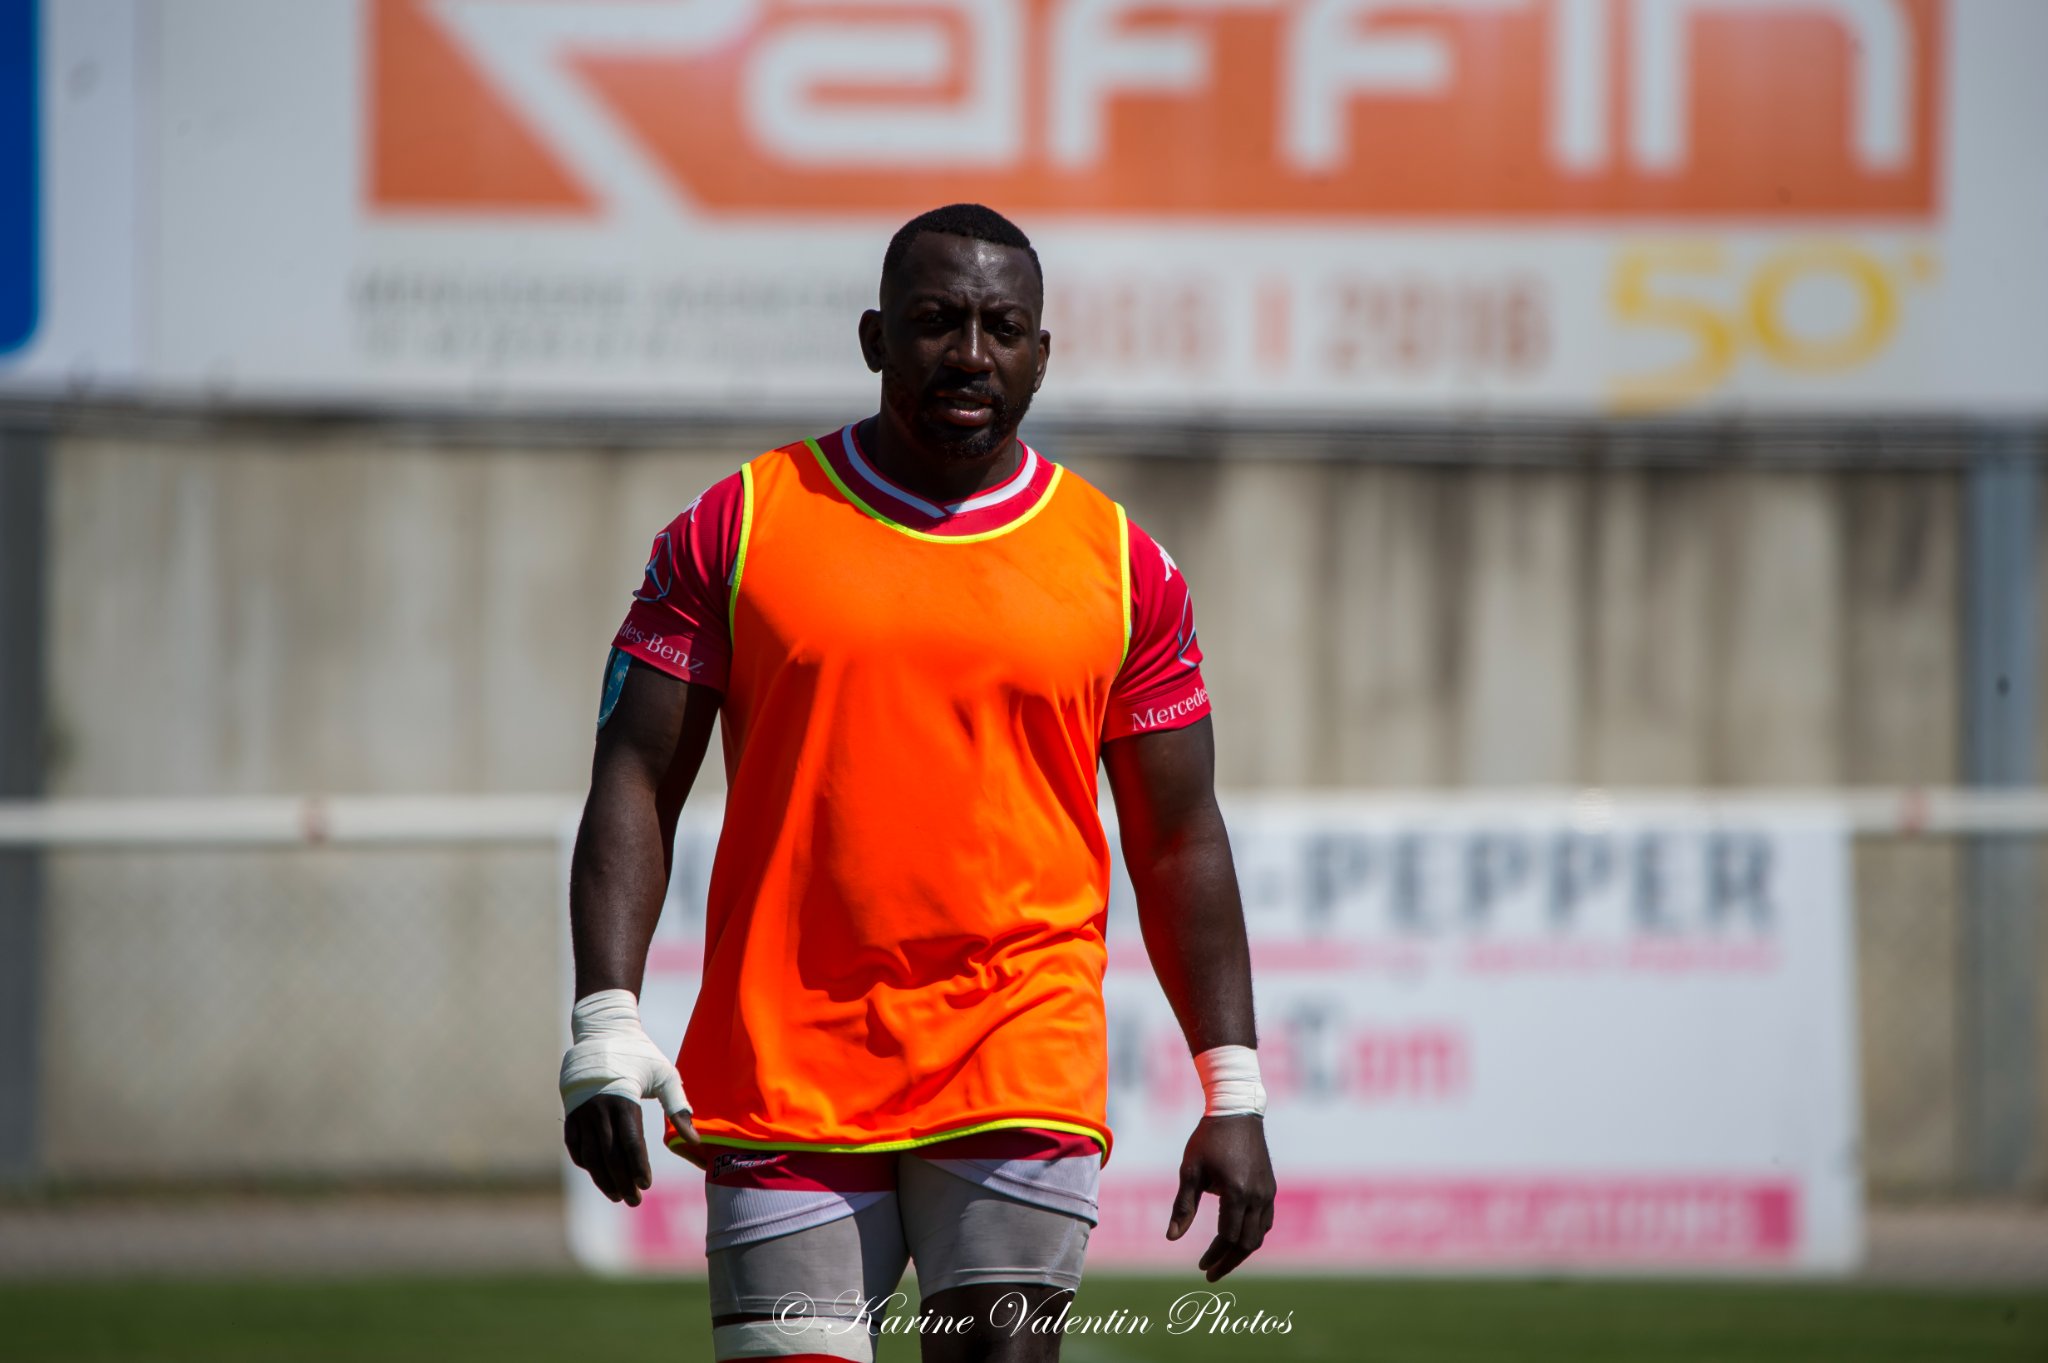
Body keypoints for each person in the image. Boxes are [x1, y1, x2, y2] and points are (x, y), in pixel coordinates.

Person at [559, 203, 1273, 1363]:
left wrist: (1230, 1086)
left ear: (1042, 352)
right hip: (783, 1054)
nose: (970, 354)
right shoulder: (735, 528)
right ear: (873, 337)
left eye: (1003, 327)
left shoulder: (1125, 566)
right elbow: (635, 773)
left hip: (1016, 1048)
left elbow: (1178, 837)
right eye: (936, 321)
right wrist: (604, 1019)